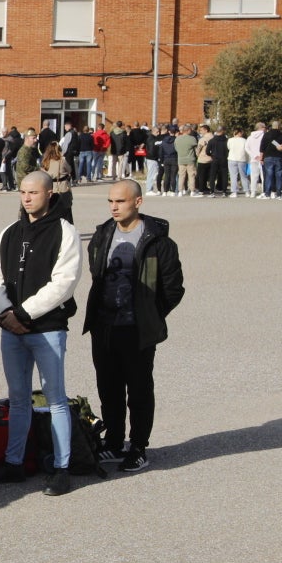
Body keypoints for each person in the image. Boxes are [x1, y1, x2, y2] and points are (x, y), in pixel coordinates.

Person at [0, 171, 82, 494]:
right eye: (23, 192)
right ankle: (14, 464)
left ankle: (62, 467)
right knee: (18, 398)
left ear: (49, 194)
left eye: (34, 193)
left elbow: (64, 283)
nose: (26, 198)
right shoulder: (9, 233)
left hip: (47, 329)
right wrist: (5, 312)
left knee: (55, 399)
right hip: (11, 330)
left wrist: (24, 313)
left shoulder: (64, 232)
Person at [82, 181, 184, 473]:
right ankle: (113, 442)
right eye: (110, 201)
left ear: (138, 202)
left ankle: (138, 447)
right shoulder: (102, 235)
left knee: (139, 391)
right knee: (108, 388)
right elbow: (96, 273)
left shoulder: (158, 241)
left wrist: (149, 315)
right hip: (104, 326)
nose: (114, 207)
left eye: (120, 201)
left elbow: (173, 289)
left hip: (136, 329)